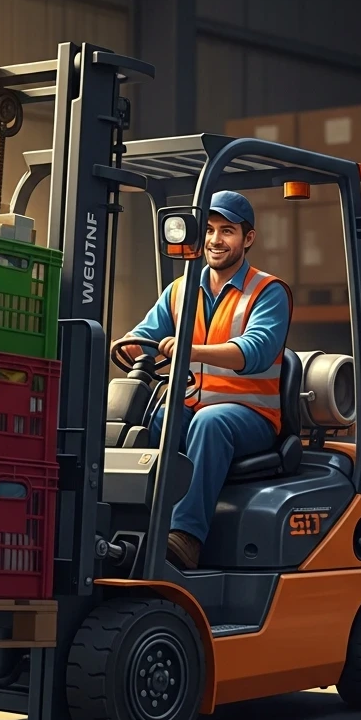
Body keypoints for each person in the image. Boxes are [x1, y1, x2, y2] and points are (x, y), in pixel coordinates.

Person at [124, 190, 292, 570]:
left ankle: (185, 537)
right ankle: (134, 519)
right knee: (157, 417)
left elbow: (255, 350)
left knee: (209, 422)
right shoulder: (181, 290)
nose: (216, 240)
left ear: (247, 238)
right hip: (194, 406)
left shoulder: (268, 292)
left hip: (251, 417)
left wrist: (190, 349)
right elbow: (143, 337)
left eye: (227, 231)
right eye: (211, 230)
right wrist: (122, 346)